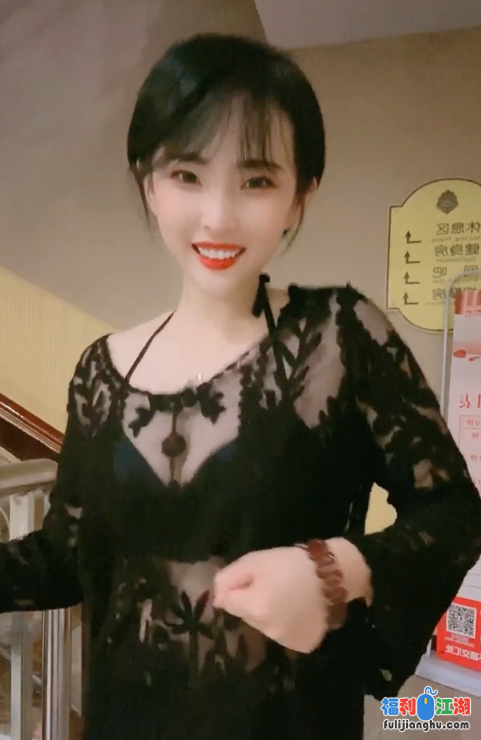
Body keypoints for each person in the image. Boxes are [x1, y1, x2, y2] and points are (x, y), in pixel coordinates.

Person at [1, 32, 480, 740]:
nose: (219, 216)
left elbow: (453, 512)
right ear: (149, 185)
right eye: (186, 175)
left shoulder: (337, 338)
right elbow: (68, 555)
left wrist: (337, 568)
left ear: (300, 195)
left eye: (256, 181)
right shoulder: (101, 371)